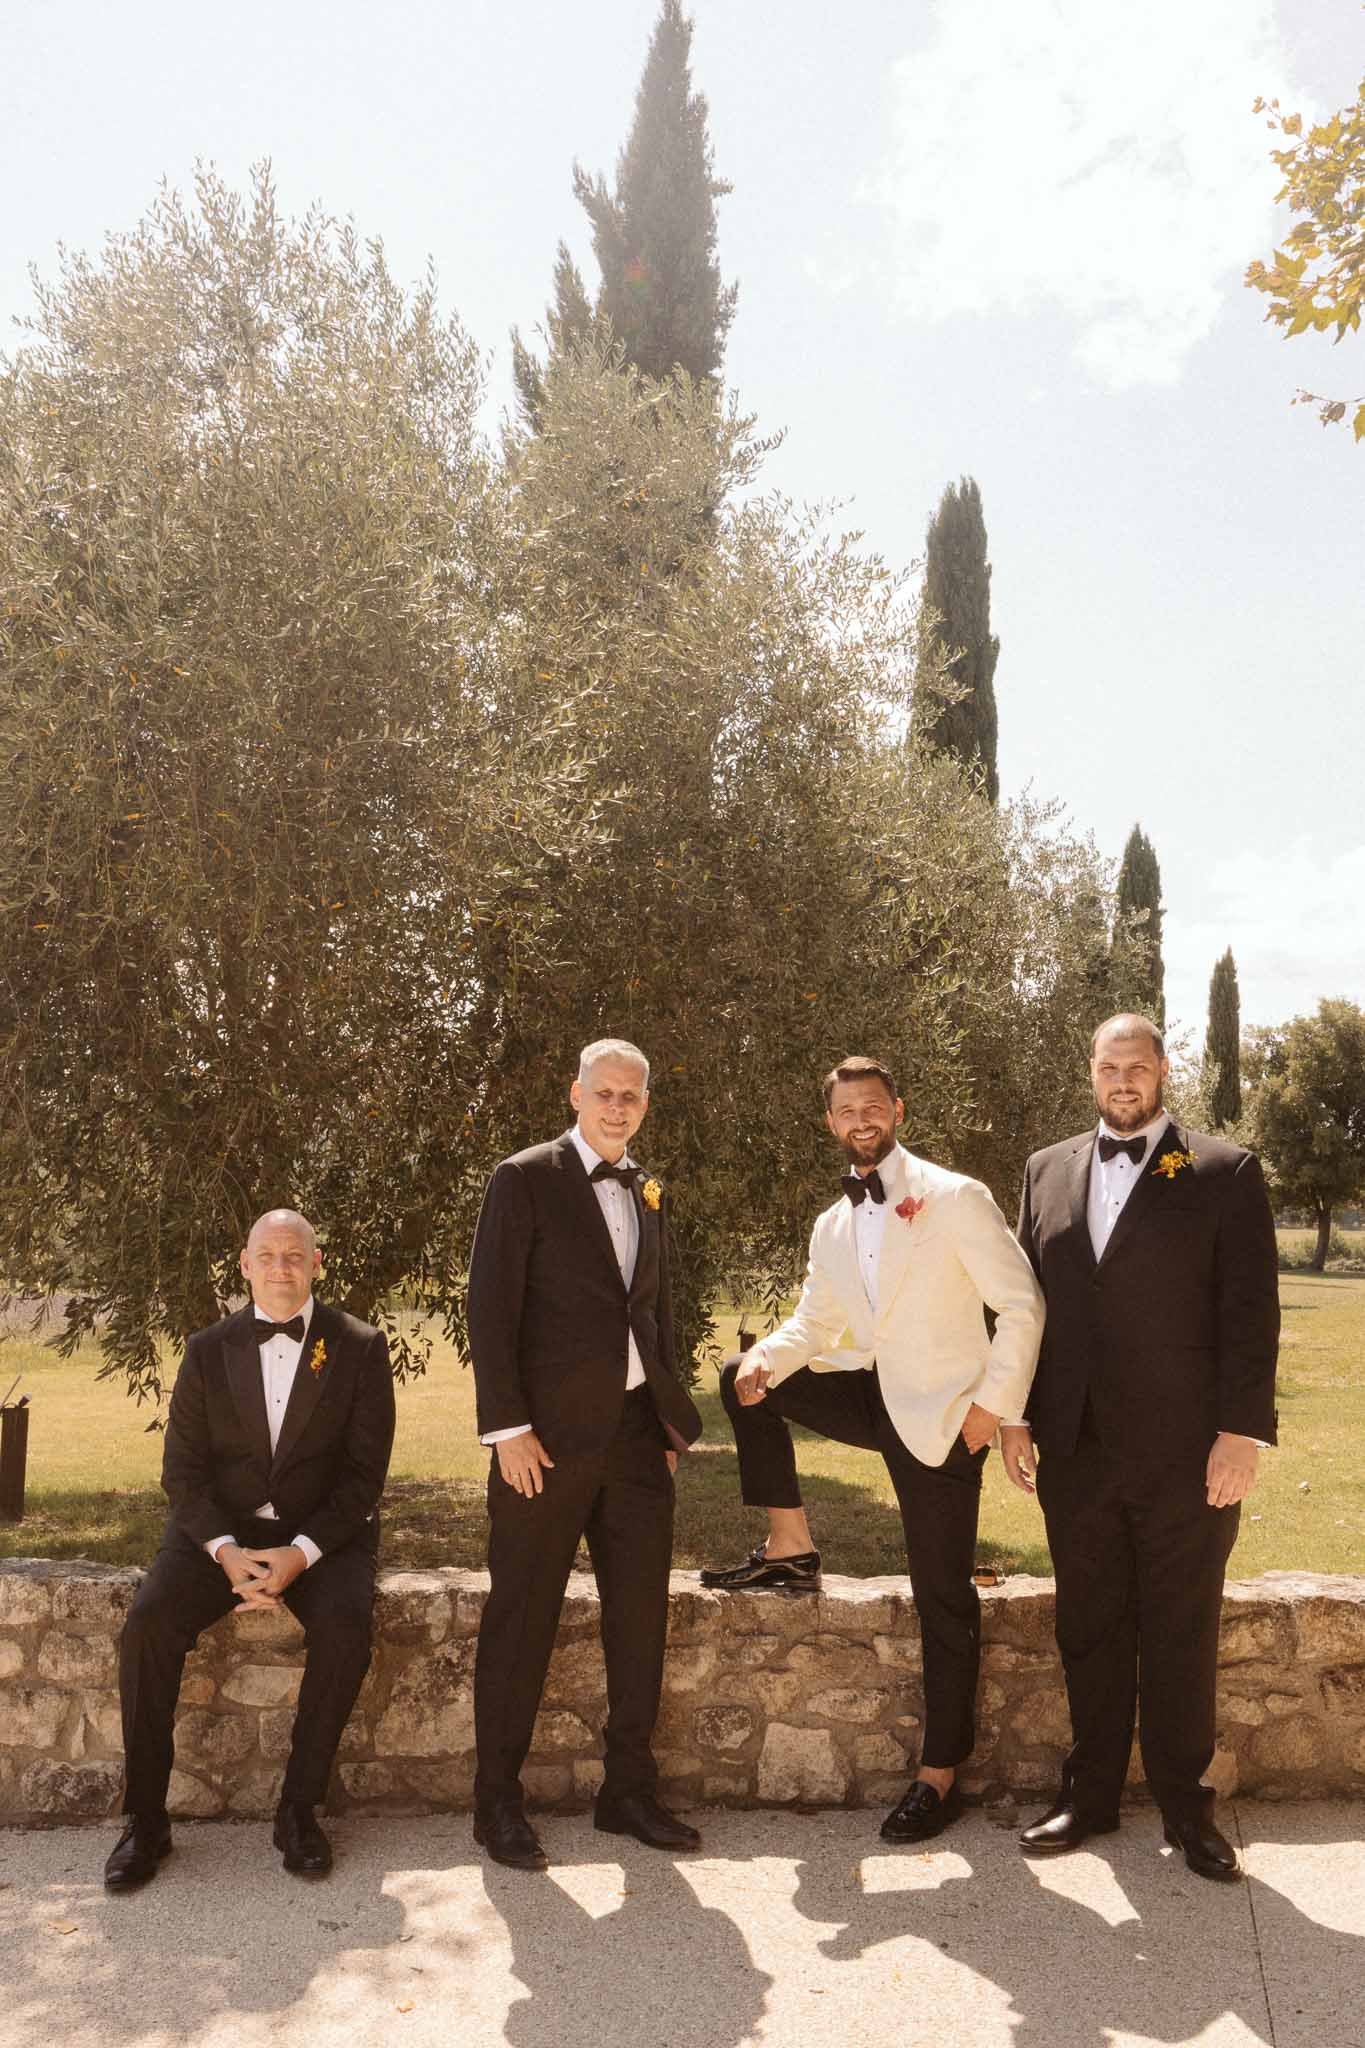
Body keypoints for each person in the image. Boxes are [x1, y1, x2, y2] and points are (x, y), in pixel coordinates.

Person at [700, 1055, 1044, 1842]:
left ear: (897, 1110)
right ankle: (790, 1547)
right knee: (739, 1376)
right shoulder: (832, 1222)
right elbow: (815, 1324)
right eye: (846, 1110)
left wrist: (993, 1409)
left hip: (946, 1418)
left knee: (943, 1595)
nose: (861, 1120)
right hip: (871, 1391)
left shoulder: (955, 1197)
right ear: (831, 1122)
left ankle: (938, 1774)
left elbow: (1021, 1307)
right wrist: (769, 1358)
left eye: (873, 1106)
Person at [1015, 1013, 1279, 1881]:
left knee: (1179, 1629)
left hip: (1186, 1455)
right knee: (1086, 1628)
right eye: (1107, 1066)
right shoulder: (1044, 1170)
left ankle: (1185, 1807)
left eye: (1136, 1066)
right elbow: (1025, 1310)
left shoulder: (1222, 1171)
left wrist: (1239, 1433)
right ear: (1089, 1072)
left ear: (1162, 1071)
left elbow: (1249, 1316)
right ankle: (1087, 1796)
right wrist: (1013, 1415)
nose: (1121, 1080)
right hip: (1076, 1450)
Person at [106, 1208, 396, 1891]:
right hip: (220, 1535)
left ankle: (298, 1811)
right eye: (267, 1255)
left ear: (317, 1263)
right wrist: (225, 1550)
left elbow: (364, 1477)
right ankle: (145, 1820)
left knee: (347, 1629)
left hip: (323, 1534)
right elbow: (181, 1472)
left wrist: (301, 1553)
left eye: (294, 1255)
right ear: (244, 1264)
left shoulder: (358, 1345)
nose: (280, 1268)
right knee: (147, 1626)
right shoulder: (208, 1349)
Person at [468, 1038, 703, 1872]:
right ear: (575, 1094)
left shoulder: (649, 1188)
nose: (616, 1107)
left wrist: (670, 1425)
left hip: (639, 1441)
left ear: (644, 1103)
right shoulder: (523, 1177)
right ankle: (496, 1800)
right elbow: (488, 1312)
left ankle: (626, 1792)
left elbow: (658, 1310)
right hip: (545, 1445)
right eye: (603, 1093)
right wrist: (506, 1430)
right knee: (521, 1616)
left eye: (631, 1097)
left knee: (638, 1620)